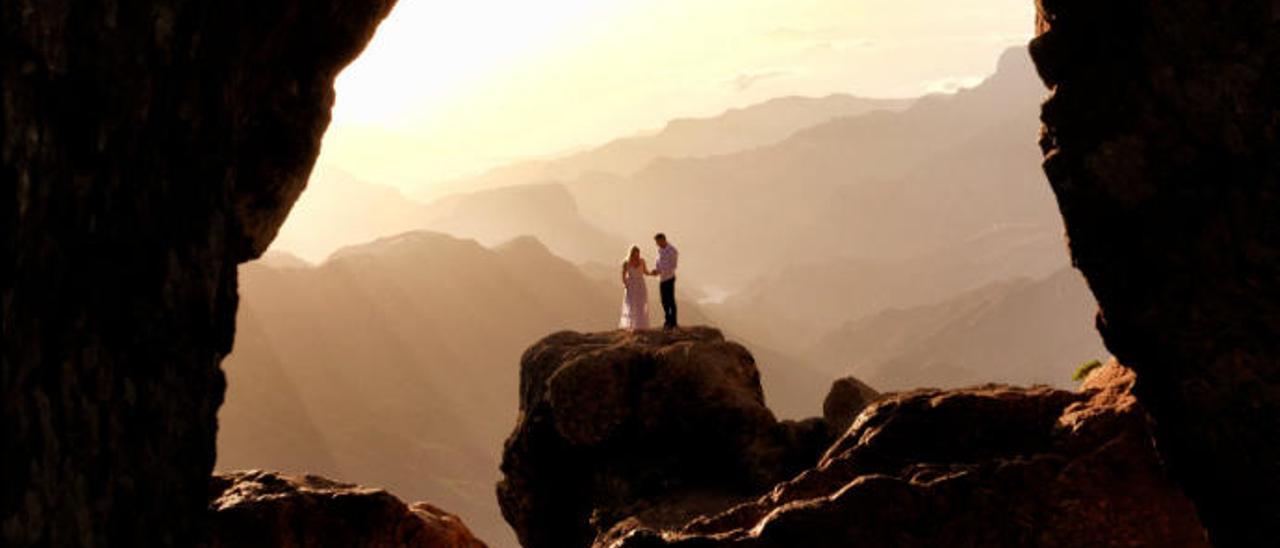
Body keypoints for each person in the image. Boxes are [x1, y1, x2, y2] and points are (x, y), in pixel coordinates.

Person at [650, 233, 679, 329]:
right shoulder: (660, 251)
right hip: (662, 279)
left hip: (669, 278)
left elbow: (673, 265)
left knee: (670, 300)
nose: (657, 244)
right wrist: (656, 270)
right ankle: (668, 320)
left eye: (658, 242)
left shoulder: (672, 251)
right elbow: (659, 264)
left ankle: (673, 322)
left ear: (663, 240)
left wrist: (659, 270)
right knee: (664, 301)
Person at [619, 246, 651, 330]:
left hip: (641, 285)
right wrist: (626, 284)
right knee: (632, 305)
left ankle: (640, 325)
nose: (637, 255)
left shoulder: (642, 261)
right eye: (636, 253)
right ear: (632, 253)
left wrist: (652, 273)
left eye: (638, 253)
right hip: (632, 286)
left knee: (641, 304)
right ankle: (631, 325)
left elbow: (645, 272)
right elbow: (623, 275)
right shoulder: (626, 263)